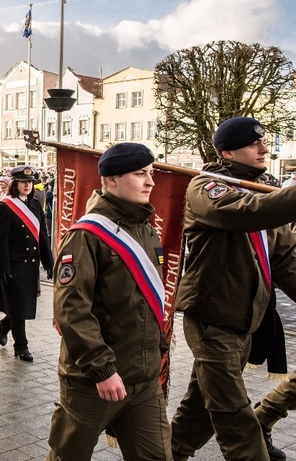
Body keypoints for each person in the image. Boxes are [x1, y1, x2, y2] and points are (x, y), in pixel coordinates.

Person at [171, 117, 296, 461]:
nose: (264, 149)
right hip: (212, 320)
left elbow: (286, 262)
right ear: (228, 151)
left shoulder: (260, 191)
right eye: (254, 144)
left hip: (245, 324)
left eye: (264, 142)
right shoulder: (207, 187)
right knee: (235, 417)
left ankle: (171, 451)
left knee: (198, 411)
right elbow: (247, 213)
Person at [47, 142, 172, 460]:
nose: (150, 182)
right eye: (140, 173)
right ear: (111, 180)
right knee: (68, 456)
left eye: (151, 173)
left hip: (143, 381)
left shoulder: (146, 229)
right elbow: (71, 309)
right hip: (93, 382)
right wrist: (102, 370)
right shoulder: (87, 235)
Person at [0, 165, 52, 362]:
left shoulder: (35, 206)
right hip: (13, 264)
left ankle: (4, 325)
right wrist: (1, 267)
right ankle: (21, 346)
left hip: (31, 265)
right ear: (15, 184)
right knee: (19, 305)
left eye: (30, 182)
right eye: (23, 182)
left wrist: (49, 262)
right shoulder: (5, 206)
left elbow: (42, 236)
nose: (27, 185)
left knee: (22, 305)